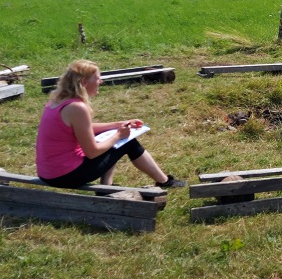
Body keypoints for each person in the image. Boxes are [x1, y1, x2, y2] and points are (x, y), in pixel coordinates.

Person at [36, 59, 185, 189]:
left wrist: (119, 124)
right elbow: (92, 152)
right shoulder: (77, 108)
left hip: (48, 172)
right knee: (127, 142)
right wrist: (119, 135)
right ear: (83, 83)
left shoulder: (57, 101)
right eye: (98, 78)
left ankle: (106, 187)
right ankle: (164, 181)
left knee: (112, 139)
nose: (101, 82)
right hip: (65, 176)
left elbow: (85, 129)